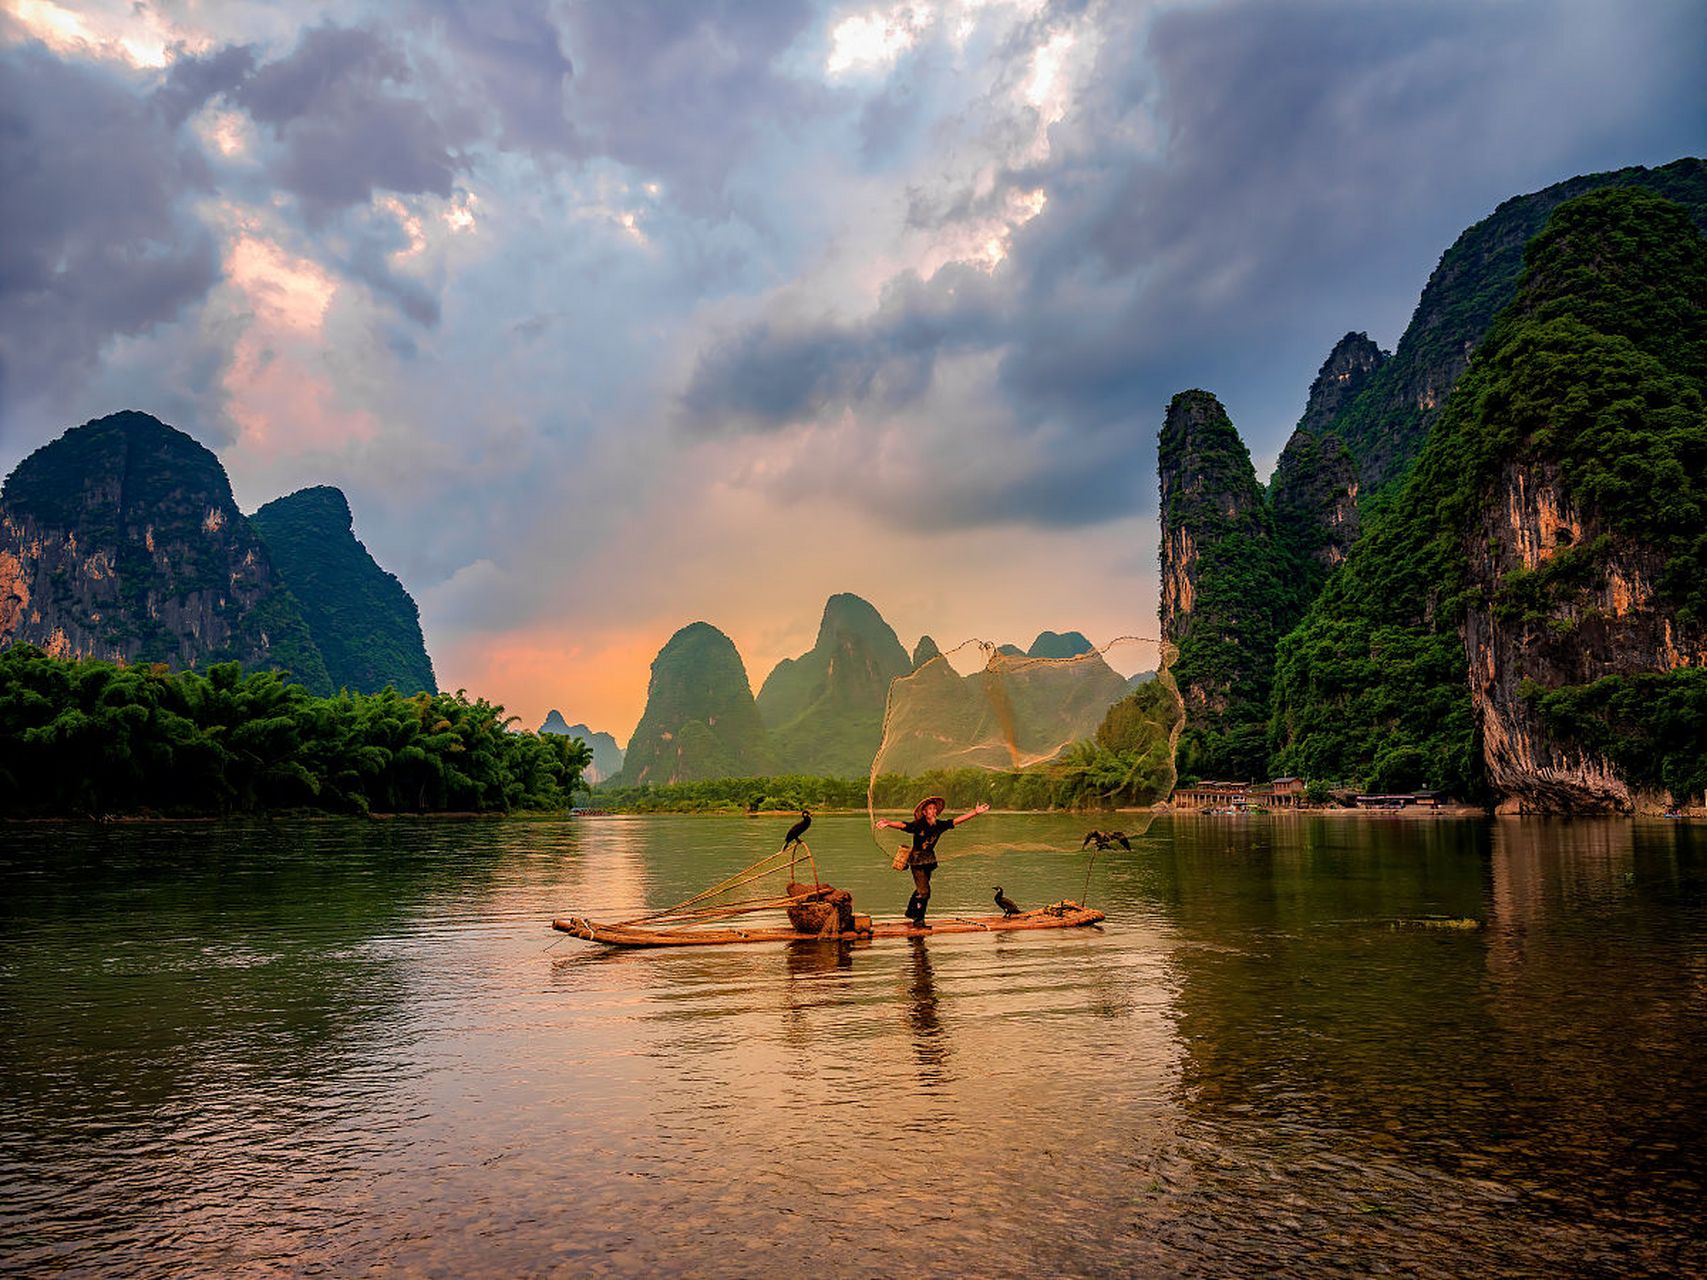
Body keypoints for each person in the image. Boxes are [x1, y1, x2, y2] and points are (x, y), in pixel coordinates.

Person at [877, 796, 990, 928]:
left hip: (929, 861)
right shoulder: (919, 824)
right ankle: (919, 920)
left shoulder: (939, 825)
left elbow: (956, 821)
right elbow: (903, 825)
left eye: (934, 809)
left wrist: (975, 812)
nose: (933, 811)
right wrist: (889, 823)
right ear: (924, 812)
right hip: (917, 861)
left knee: (923, 888)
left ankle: (911, 912)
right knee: (924, 891)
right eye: (930, 809)